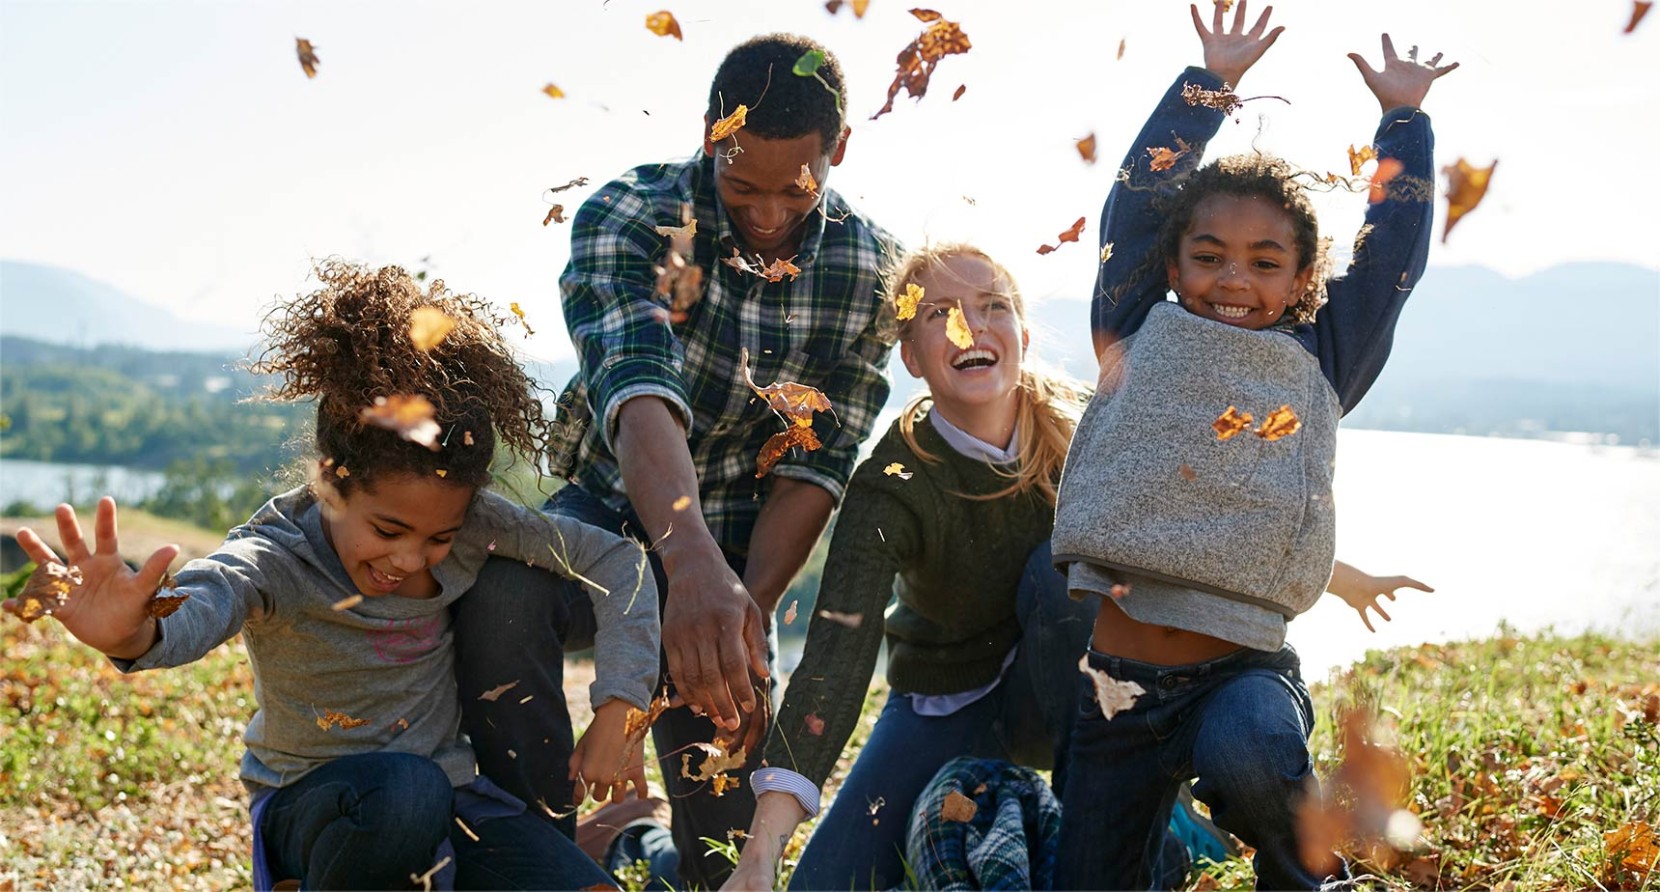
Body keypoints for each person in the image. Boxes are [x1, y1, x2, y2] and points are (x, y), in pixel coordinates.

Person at [6, 262, 660, 890]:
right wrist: (132, 637)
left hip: (457, 805)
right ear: (329, 483)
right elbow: (216, 590)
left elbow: (620, 559)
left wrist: (621, 705)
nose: (410, 558)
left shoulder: (478, 523)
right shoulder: (279, 554)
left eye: (438, 537)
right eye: (388, 531)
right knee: (407, 792)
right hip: (321, 811)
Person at [450, 32, 900, 888]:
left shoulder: (872, 271)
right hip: (613, 510)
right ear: (709, 134)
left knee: (715, 858)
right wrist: (686, 568)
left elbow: (818, 465)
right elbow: (639, 391)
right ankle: (540, 853)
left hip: (748, 545)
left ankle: (633, 841)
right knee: (505, 600)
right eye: (741, 185)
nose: (766, 215)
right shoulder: (629, 215)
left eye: (795, 189)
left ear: (838, 151)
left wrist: (745, 608)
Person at [1049, 3, 1456, 888]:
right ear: (1172, 263)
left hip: (1241, 679)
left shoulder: (1320, 360)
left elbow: (1392, 260)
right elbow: (1136, 197)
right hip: (1111, 693)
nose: (1235, 278)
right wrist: (1207, 87)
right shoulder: (1130, 329)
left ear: (1304, 276)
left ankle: (1308, 878)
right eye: (1210, 255)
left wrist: (1405, 120)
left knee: (1248, 750)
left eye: (1266, 262)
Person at [721, 244, 1094, 892]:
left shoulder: (1083, 435)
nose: (969, 328)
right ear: (912, 357)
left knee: (1061, 575)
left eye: (992, 308)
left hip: (1066, 700)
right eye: (940, 313)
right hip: (945, 700)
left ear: (1023, 335)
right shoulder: (892, 483)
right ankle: (636, 835)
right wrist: (760, 854)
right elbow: (835, 655)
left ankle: (1115, 806)